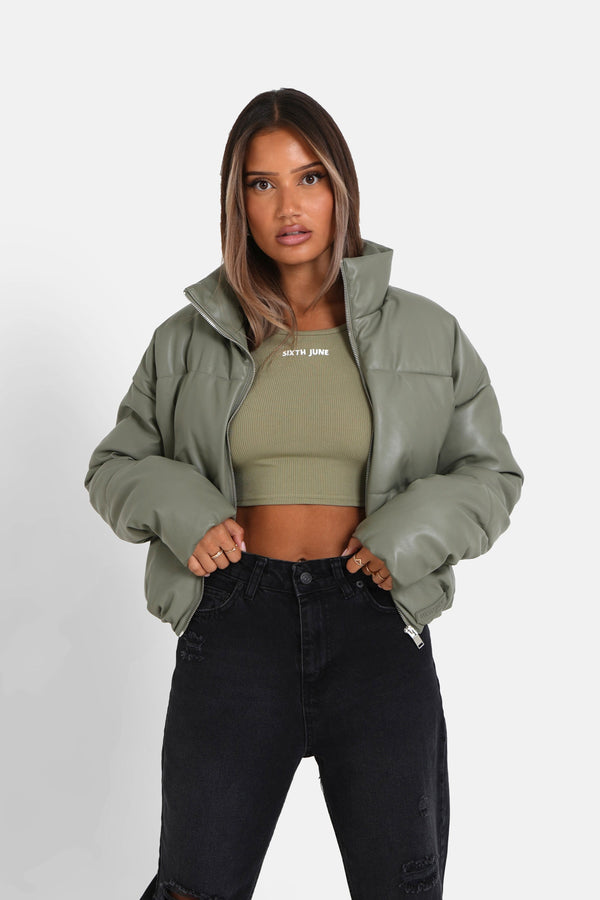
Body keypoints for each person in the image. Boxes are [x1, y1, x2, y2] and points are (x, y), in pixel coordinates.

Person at [84, 88, 523, 900]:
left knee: (403, 886)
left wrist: (407, 536)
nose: (288, 206)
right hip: (233, 624)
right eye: (262, 183)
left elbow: (491, 475)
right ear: (237, 202)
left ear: (340, 186)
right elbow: (115, 465)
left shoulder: (429, 333)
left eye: (309, 177)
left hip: (377, 625)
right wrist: (186, 512)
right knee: (194, 888)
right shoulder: (185, 340)